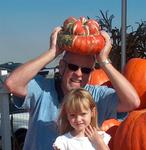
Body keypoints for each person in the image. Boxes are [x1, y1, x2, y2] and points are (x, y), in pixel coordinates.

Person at [4, 26, 140, 150]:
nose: (79, 74)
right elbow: (12, 84)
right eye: (73, 67)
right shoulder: (42, 89)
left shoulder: (97, 97)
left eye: (86, 70)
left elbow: (132, 102)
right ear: (62, 66)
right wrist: (52, 52)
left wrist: (104, 61)